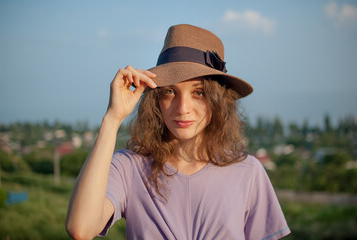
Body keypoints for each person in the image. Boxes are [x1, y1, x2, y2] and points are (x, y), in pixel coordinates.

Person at [65, 24, 291, 240]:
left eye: (199, 93)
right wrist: (112, 119)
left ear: (218, 100)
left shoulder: (248, 172)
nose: (182, 109)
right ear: (156, 99)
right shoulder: (129, 167)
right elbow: (81, 229)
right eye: (170, 92)